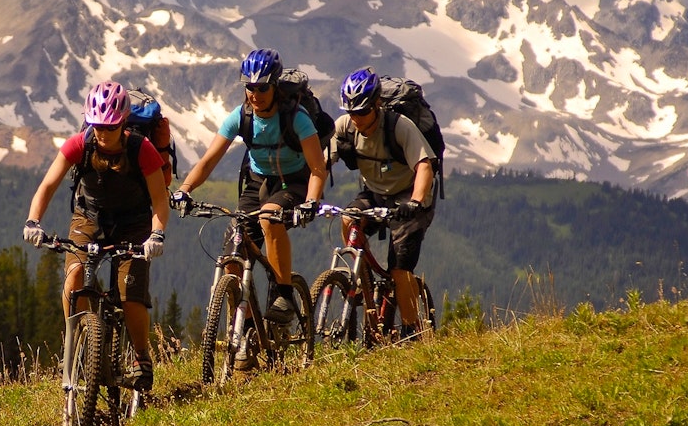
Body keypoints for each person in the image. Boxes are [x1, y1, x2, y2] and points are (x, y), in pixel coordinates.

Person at [23, 81, 170, 391]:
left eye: (110, 127)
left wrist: (156, 235)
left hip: (134, 222)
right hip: (89, 216)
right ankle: (77, 344)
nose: (102, 133)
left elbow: (159, 199)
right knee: (74, 278)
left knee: (129, 294)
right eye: (97, 126)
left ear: (123, 123)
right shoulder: (80, 144)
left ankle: (141, 357)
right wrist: (33, 221)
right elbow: (47, 185)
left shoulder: (140, 149)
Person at [170, 49, 327, 323]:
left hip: (294, 182)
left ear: (275, 85)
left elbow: (317, 169)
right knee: (234, 245)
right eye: (250, 87)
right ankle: (241, 326)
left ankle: (284, 294)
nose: (255, 94)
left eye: (263, 87)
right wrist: (185, 189)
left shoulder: (296, 118)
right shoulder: (241, 116)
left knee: (269, 218)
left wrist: (311, 202)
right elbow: (207, 162)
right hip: (257, 182)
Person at [334, 67, 436, 340]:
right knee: (348, 218)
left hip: (410, 195)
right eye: (350, 112)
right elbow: (321, 162)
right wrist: (311, 197)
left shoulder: (399, 126)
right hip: (376, 193)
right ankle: (363, 280)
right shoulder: (345, 127)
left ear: (377, 104)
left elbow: (425, 166)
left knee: (400, 269)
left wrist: (414, 202)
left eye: (362, 111)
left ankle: (413, 333)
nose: (355, 118)